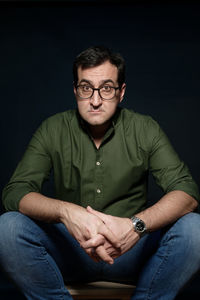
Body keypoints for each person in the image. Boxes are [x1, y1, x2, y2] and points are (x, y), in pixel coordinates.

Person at [0, 46, 200, 300]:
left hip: (131, 251)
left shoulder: (145, 128)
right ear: (75, 91)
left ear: (121, 92)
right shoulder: (52, 128)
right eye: (86, 88)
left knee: (195, 229)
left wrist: (135, 226)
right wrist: (67, 211)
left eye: (106, 88)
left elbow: (187, 192)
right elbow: (15, 192)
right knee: (7, 228)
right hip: (72, 253)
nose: (95, 100)